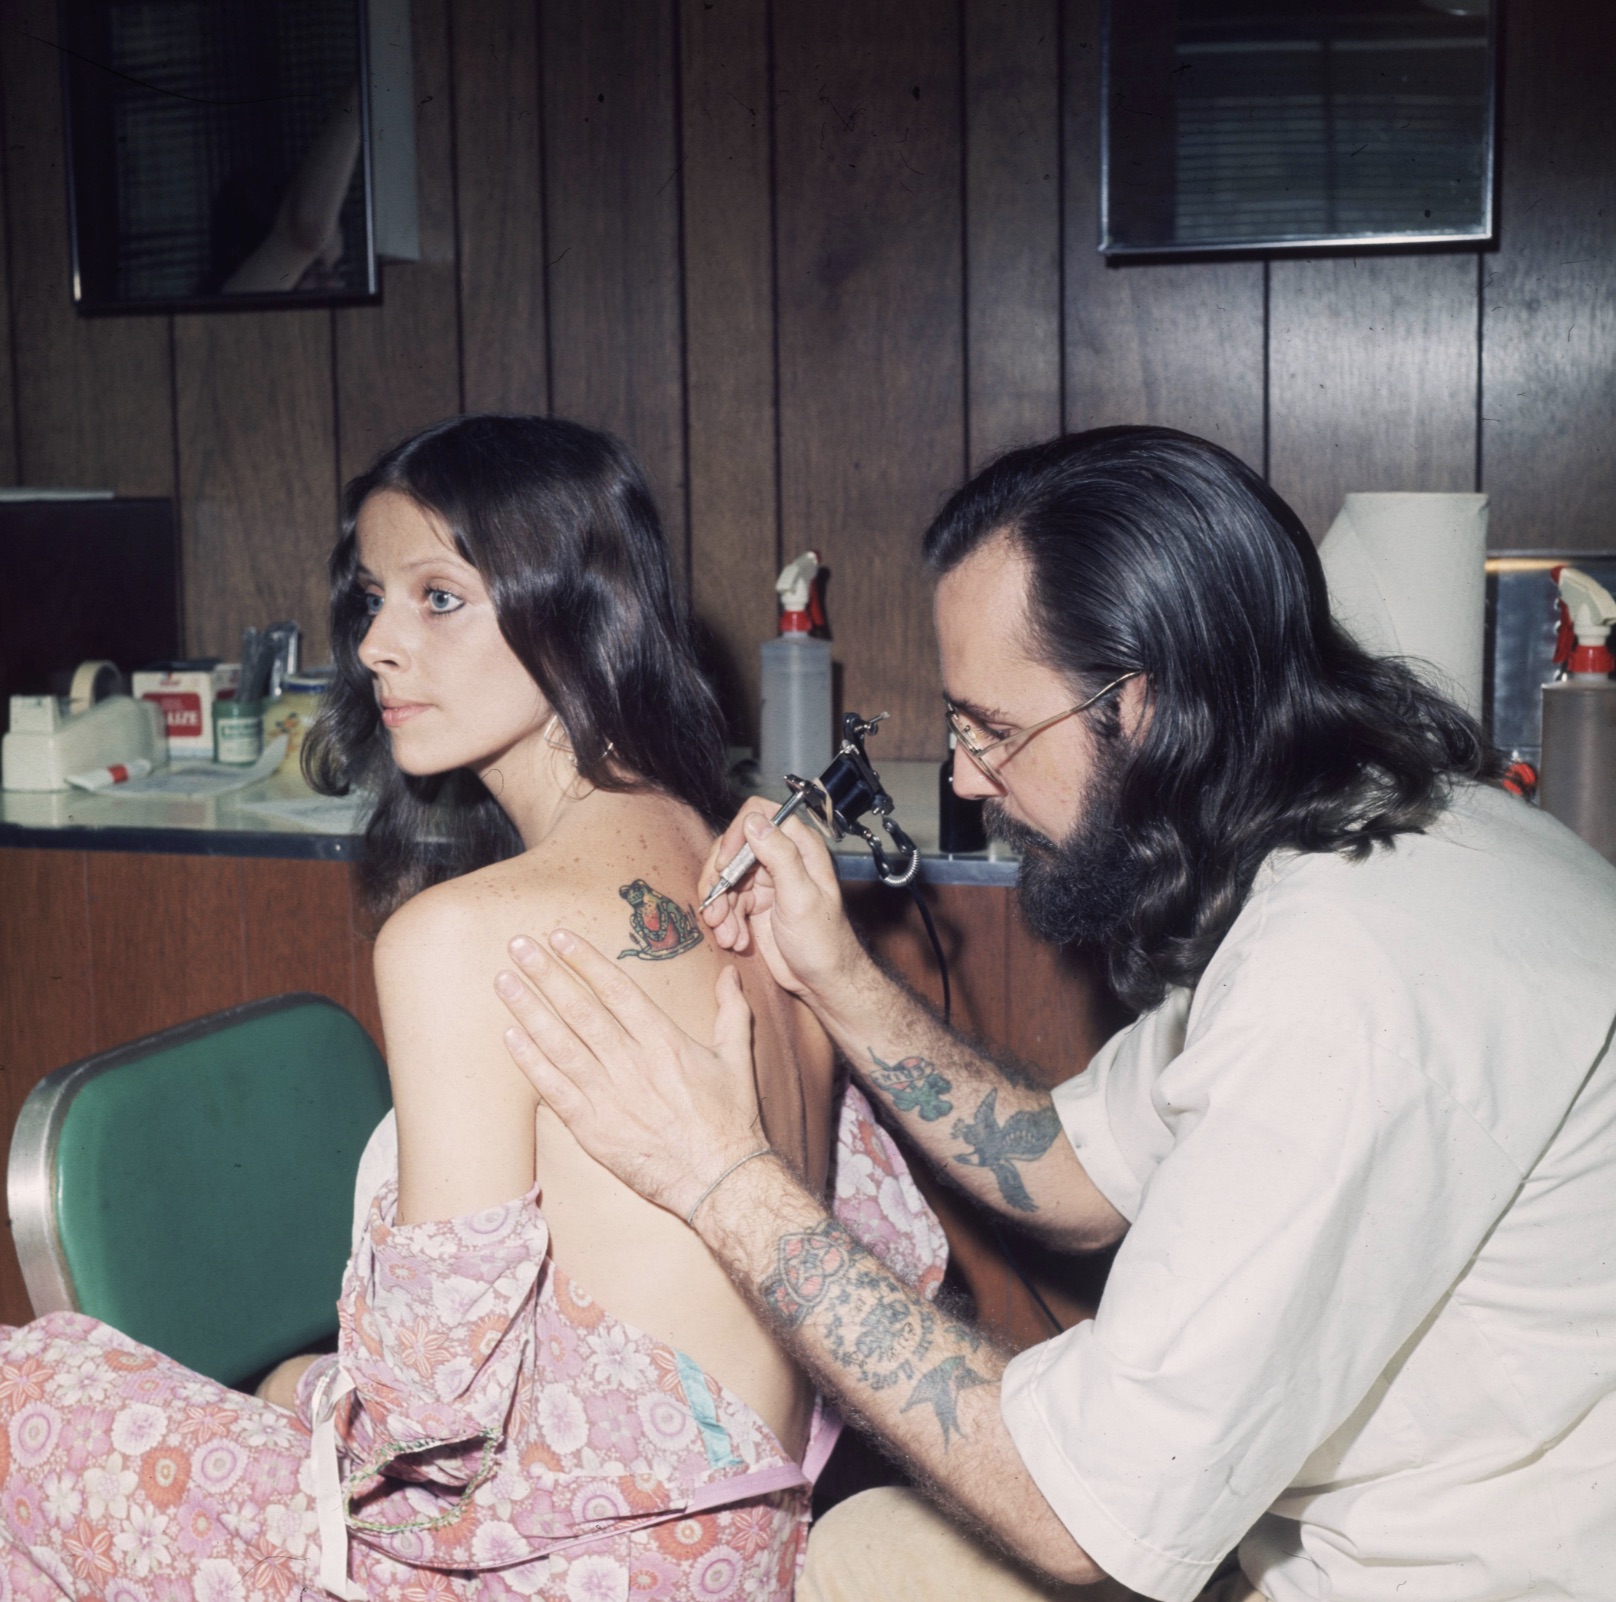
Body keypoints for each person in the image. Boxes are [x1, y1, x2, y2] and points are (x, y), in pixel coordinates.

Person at [489, 425, 1616, 1602]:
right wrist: (840, 981)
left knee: (854, 1562)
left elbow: (1074, 1515)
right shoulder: (1391, 830)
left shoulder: (1349, 979)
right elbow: (1073, 1172)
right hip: (1383, 1521)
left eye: (992, 729)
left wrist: (718, 1177)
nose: (967, 779)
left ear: (1145, 702)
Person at [0, 415, 946, 1602]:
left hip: (546, 1575)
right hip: (742, 1554)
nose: (378, 648)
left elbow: (422, 1419)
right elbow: (880, 1261)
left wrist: (301, 1391)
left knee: (24, 1393)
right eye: (371, 600)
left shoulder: (460, 936)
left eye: (438, 598)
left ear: (577, 611)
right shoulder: (761, 879)